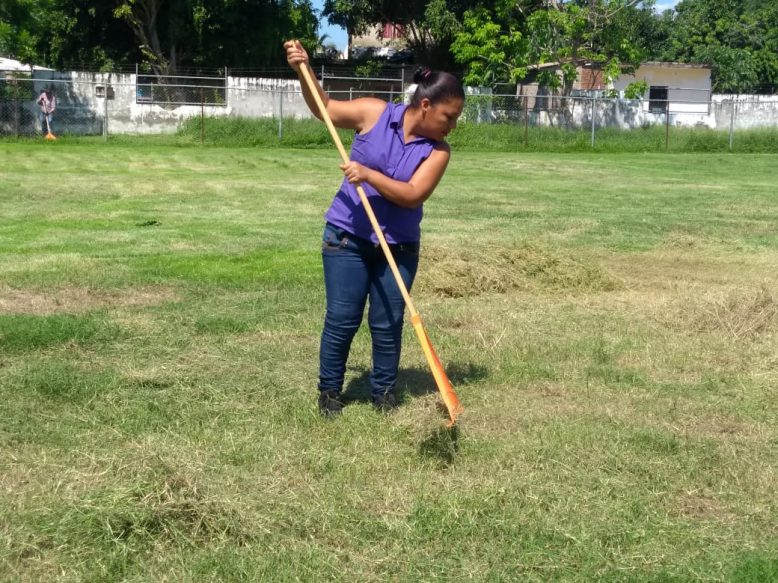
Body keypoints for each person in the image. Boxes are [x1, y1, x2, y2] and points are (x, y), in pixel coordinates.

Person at [284, 40, 465, 417]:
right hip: (346, 237)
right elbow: (325, 109)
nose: (452, 126)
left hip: (398, 246)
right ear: (426, 105)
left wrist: (368, 175)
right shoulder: (374, 113)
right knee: (342, 318)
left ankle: (383, 393)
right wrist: (306, 71)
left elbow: (413, 194)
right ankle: (330, 391)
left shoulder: (439, 151)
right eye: (449, 116)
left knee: (387, 322)